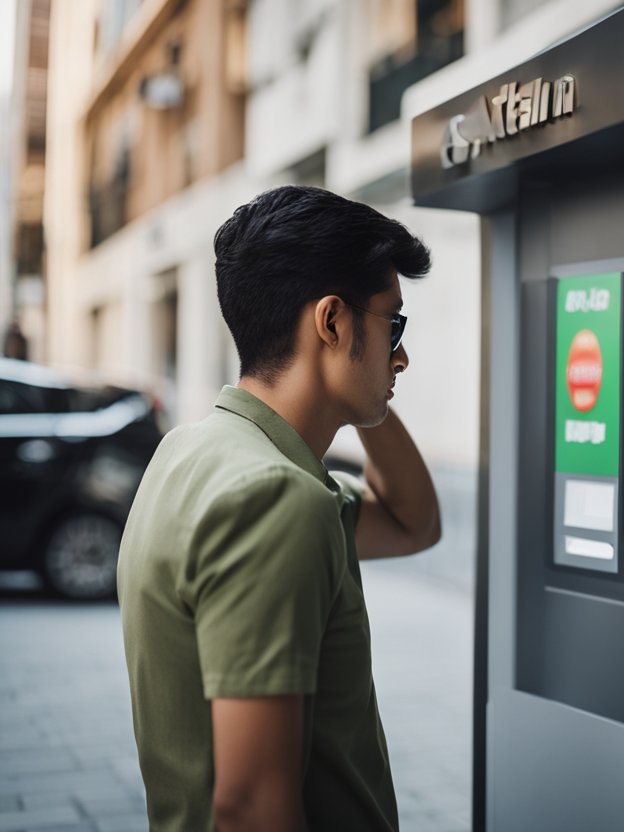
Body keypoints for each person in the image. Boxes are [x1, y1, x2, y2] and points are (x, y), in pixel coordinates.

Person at [117, 185, 441, 831]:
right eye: (393, 324)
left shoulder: (198, 449)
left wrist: (357, 387)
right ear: (331, 321)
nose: (401, 355)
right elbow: (254, 806)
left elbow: (413, 524)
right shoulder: (274, 499)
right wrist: (358, 376)